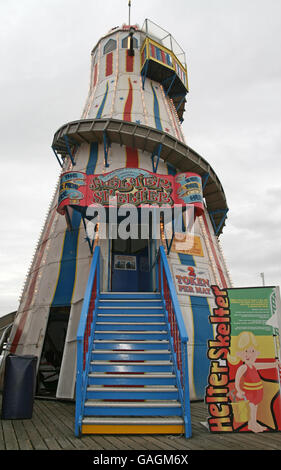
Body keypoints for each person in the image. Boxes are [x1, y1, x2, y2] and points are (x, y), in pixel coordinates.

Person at [229, 331, 279, 433]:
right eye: (246, 351)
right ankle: (252, 424)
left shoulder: (253, 365)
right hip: (250, 393)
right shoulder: (243, 367)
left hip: (257, 392)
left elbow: (264, 366)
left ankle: (254, 423)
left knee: (254, 408)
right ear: (239, 352)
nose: (249, 354)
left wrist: (275, 364)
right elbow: (237, 380)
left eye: (252, 351)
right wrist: (239, 390)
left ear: (256, 352)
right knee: (251, 408)